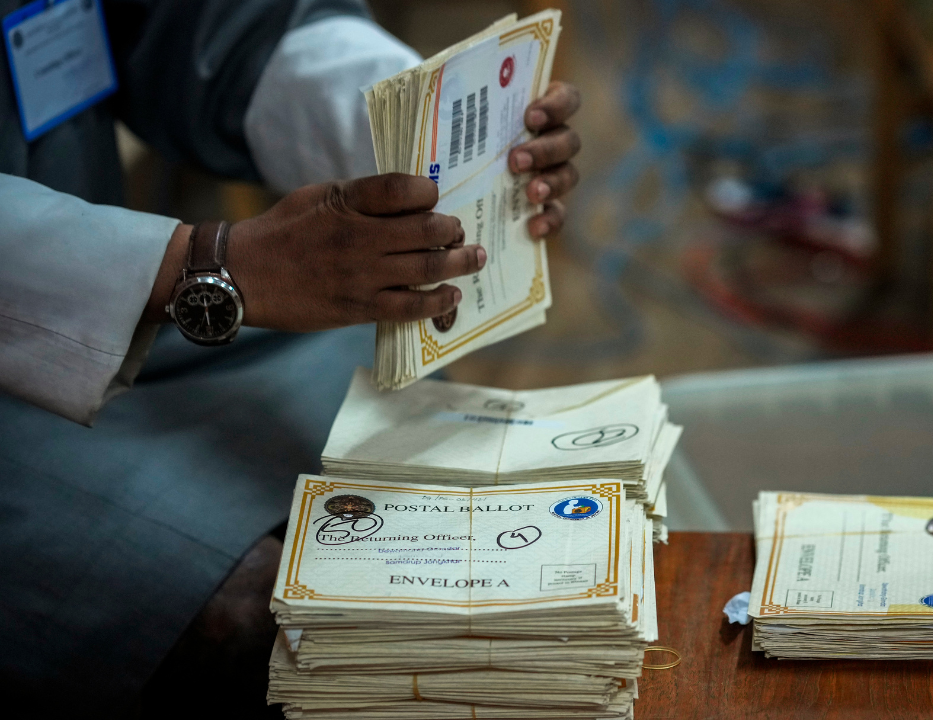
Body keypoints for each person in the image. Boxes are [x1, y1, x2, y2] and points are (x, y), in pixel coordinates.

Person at [0, 1, 581, 714]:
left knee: (434, 432)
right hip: (84, 306)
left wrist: (433, 138)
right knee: (276, 616)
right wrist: (207, 266)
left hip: (127, 306)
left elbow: (197, 26)